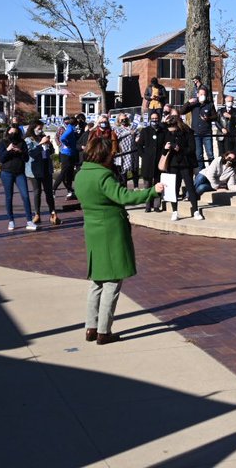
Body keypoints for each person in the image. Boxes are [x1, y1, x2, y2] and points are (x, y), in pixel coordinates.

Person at [77, 135, 165, 345]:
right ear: (103, 155)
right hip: (110, 230)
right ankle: (104, 331)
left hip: (92, 229)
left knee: (97, 281)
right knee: (112, 281)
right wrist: (152, 191)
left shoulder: (81, 174)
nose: (113, 156)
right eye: (110, 154)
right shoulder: (103, 176)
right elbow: (124, 196)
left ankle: (91, 326)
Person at [161, 108, 203, 221]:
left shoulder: (187, 132)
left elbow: (192, 148)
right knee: (174, 188)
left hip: (185, 163)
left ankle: (195, 210)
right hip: (173, 164)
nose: (171, 132)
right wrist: (166, 148)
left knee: (190, 186)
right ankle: (175, 211)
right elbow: (163, 151)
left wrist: (180, 149)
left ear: (176, 126)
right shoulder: (168, 133)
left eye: (172, 130)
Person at [0, 123, 35, 231]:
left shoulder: (22, 142)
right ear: (8, 132)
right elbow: (1, 159)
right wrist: (8, 150)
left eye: (15, 132)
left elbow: (26, 158)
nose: (13, 134)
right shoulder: (3, 142)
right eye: (11, 132)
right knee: (9, 197)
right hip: (7, 173)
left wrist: (20, 151)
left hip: (19, 173)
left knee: (25, 196)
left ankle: (29, 220)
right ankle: (11, 220)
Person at [25, 120, 60, 225]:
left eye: (41, 128)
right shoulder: (29, 139)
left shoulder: (43, 137)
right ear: (33, 128)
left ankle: (53, 213)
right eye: (38, 128)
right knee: (37, 192)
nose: (40, 131)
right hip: (34, 170)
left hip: (46, 168)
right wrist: (41, 144)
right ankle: (37, 214)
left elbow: (50, 152)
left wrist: (49, 145)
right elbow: (31, 154)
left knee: (49, 192)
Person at [135, 111, 166, 211]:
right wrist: (143, 156)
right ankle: (148, 205)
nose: (154, 120)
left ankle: (156, 205)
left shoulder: (163, 131)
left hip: (158, 161)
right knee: (147, 185)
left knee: (158, 184)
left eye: (156, 118)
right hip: (147, 162)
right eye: (152, 118)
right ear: (149, 119)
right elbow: (139, 145)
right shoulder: (145, 131)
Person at [182, 87, 218, 165]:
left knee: (210, 154)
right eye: (201, 94)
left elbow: (215, 116)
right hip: (196, 133)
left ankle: (212, 170)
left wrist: (208, 118)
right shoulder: (194, 104)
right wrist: (188, 102)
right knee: (199, 155)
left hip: (207, 133)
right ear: (198, 94)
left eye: (204, 94)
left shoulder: (210, 104)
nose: (203, 96)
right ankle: (201, 171)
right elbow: (182, 111)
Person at [52, 115, 82, 200]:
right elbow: (62, 138)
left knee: (70, 173)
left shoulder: (71, 128)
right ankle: (53, 189)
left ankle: (69, 190)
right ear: (75, 123)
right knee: (63, 172)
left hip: (71, 153)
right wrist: (66, 144)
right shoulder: (70, 129)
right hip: (66, 154)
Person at [113, 114, 137, 187]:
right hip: (123, 153)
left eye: (125, 119)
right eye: (122, 119)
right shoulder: (117, 128)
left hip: (132, 152)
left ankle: (136, 187)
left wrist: (137, 137)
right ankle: (124, 188)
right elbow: (118, 136)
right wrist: (129, 132)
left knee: (134, 170)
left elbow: (137, 134)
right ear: (119, 120)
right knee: (123, 172)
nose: (124, 121)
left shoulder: (131, 127)